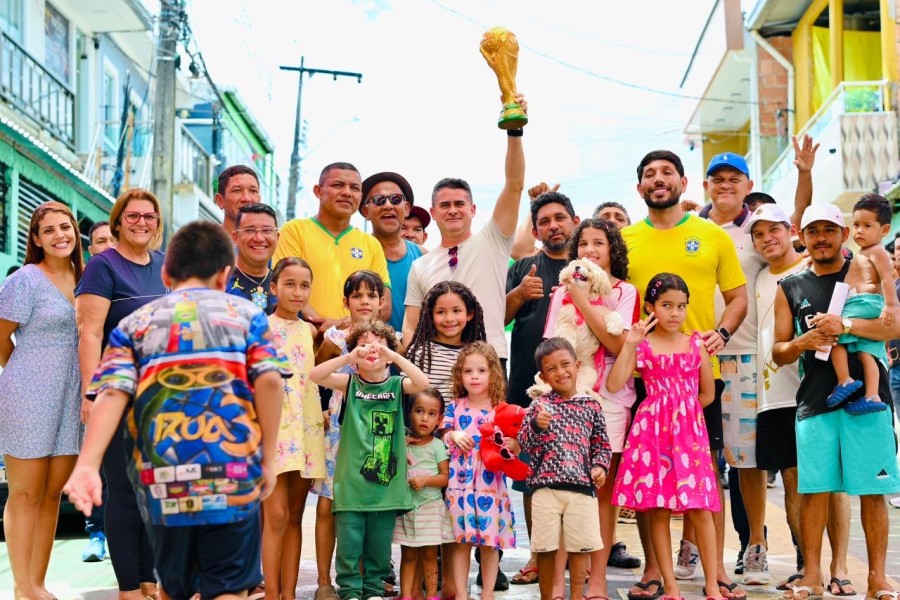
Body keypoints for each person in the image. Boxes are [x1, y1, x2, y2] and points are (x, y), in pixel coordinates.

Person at [64, 221, 289, 600]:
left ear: (166, 274)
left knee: (173, 587)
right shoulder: (246, 316)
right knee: (229, 589)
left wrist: (88, 464)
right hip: (232, 475)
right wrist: (266, 459)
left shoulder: (135, 323)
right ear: (225, 275)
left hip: (164, 481)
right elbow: (270, 382)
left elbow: (112, 393)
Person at [622, 150, 747, 600]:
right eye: (649, 174)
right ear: (640, 187)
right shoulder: (625, 239)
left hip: (696, 378)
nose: (659, 179)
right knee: (650, 481)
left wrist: (721, 333)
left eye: (667, 172)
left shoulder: (711, 234)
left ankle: (717, 573)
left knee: (704, 476)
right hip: (643, 378)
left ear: (683, 182)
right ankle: (654, 571)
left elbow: (737, 297)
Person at [773, 203, 900, 600]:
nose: (821, 238)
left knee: (873, 491)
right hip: (815, 402)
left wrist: (844, 324)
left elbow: (894, 326)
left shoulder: (866, 270)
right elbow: (778, 352)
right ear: (802, 237)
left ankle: (878, 579)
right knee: (815, 490)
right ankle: (812, 577)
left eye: (829, 230)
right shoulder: (790, 287)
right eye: (813, 231)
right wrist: (803, 341)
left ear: (844, 234)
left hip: (870, 401)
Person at [75, 188, 167, 600]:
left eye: (149, 216)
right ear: (118, 222)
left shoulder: (163, 266)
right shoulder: (103, 265)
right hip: (117, 394)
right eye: (133, 216)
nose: (142, 222)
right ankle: (128, 588)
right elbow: (89, 333)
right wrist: (90, 394)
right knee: (125, 490)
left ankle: (148, 580)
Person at [542, 218, 641, 600]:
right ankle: (559, 583)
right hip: (567, 398)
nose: (590, 250)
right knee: (562, 489)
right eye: (583, 244)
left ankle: (596, 581)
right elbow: (553, 347)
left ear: (612, 249)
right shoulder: (560, 292)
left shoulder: (624, 292)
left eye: (598, 243)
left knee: (601, 493)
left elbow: (617, 345)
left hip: (610, 401)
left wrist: (583, 299)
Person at [608, 273, 722, 600]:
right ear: (650, 307)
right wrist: (630, 343)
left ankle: (713, 585)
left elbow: (708, 393)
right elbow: (614, 384)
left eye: (681, 306)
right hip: (652, 437)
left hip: (689, 436)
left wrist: (682, 414)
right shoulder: (642, 345)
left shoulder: (696, 344)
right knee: (658, 509)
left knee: (700, 507)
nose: (675, 313)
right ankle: (670, 586)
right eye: (667, 305)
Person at [0, 201, 84, 600]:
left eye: (65, 227)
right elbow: (1, 338)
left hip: (71, 398)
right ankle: (23, 587)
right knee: (25, 493)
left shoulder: (87, 278)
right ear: (36, 238)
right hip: (28, 395)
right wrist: (26, 374)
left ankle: (37, 584)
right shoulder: (25, 280)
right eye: (48, 230)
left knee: (52, 493)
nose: (59, 235)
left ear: (76, 232)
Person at [310, 320, 429, 600]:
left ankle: (374, 589)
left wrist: (394, 355)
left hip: (385, 486)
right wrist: (348, 358)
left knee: (379, 546)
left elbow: (423, 383)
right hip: (351, 485)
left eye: (379, 345)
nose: (372, 350)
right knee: (349, 545)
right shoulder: (349, 383)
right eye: (364, 345)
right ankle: (350, 591)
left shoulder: (397, 385)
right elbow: (315, 374)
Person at [403, 96, 526, 365]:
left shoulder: (493, 240)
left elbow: (514, 185)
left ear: (472, 209)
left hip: (489, 360)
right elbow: (410, 325)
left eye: (459, 204)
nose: (453, 210)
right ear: (433, 212)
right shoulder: (421, 265)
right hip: (438, 367)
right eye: (444, 205)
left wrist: (514, 130)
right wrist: (417, 367)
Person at [504, 190, 580, 585]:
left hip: (579, 390)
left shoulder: (588, 267)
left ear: (574, 221)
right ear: (535, 231)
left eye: (560, 218)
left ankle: (577, 558)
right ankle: (537, 556)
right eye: (545, 221)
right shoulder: (524, 267)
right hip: (526, 387)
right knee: (532, 476)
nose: (553, 226)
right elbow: (496, 316)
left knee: (577, 474)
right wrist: (519, 294)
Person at [311, 270, 388, 600]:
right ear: (346, 301)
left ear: (381, 302)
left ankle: (367, 579)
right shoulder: (335, 339)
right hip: (340, 431)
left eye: (371, 295)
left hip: (377, 434)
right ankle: (324, 580)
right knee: (328, 504)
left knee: (369, 508)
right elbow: (315, 379)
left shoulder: (391, 338)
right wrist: (322, 411)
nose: (364, 301)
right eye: (357, 295)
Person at [518, 337, 611, 600]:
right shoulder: (538, 406)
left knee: (581, 548)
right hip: (544, 488)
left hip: (582, 488)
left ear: (577, 365)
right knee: (545, 548)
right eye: (552, 368)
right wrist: (535, 425)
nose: (560, 372)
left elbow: (602, 445)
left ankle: (577, 595)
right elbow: (524, 442)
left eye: (565, 364)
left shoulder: (591, 405)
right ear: (543, 377)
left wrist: (600, 468)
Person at [262, 257, 326, 600]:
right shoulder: (259, 328)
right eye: (289, 284)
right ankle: (271, 593)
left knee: (295, 515)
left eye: (304, 285)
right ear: (273, 288)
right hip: (273, 429)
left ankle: (288, 593)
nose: (297, 292)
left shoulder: (309, 331)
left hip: (305, 429)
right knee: (275, 514)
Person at [273, 162, 392, 333]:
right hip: (304, 341)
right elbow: (286, 288)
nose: (347, 192)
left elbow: (384, 306)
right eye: (338, 185)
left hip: (358, 346)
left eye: (354, 188)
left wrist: (343, 327)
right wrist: (324, 328)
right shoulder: (293, 231)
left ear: (360, 196)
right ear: (318, 191)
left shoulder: (371, 244)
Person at [441, 341, 517, 600]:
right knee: (461, 542)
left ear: (493, 373)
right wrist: (453, 434)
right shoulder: (455, 405)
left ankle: (487, 593)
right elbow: (443, 434)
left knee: (489, 543)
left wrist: (511, 445)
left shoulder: (500, 409)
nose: (474, 376)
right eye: (468, 371)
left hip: (489, 486)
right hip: (460, 486)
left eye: (481, 371)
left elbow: (512, 446)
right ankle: (461, 593)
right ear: (459, 375)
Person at [826, 194, 899, 414]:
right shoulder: (864, 252)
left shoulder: (877, 252)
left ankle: (844, 380)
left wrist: (891, 305)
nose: (859, 230)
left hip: (863, 303)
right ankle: (872, 395)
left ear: (884, 230)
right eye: (856, 224)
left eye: (867, 226)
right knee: (865, 352)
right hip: (865, 304)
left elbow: (887, 278)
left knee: (833, 336)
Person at [393, 388, 452, 600]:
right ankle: (407, 595)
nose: (424, 418)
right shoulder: (402, 443)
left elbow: (445, 477)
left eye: (431, 413)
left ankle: (432, 596)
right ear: (409, 413)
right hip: (407, 510)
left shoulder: (438, 446)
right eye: (419, 411)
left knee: (429, 555)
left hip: (431, 509)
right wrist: (400, 445)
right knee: (408, 555)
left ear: (439, 419)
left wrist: (426, 480)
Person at [82, 219, 114, 563]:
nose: (108, 246)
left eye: (111, 240)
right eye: (100, 242)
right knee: (97, 465)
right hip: (95, 386)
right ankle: (96, 533)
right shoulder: (88, 283)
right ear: (91, 250)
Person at [361, 171, 427, 332]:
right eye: (379, 200)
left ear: (406, 208)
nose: (388, 205)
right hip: (364, 344)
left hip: (414, 346)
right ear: (366, 212)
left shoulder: (424, 257)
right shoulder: (356, 252)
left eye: (396, 199)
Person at [406, 281, 487, 403]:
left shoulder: (477, 355)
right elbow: (406, 394)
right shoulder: (420, 353)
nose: (449, 319)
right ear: (430, 316)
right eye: (441, 312)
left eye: (456, 311)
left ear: (469, 314)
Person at [228, 203, 279, 315]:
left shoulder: (284, 284)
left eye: (267, 230)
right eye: (250, 230)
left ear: (277, 237)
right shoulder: (219, 282)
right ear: (235, 237)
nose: (259, 238)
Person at [215, 164, 262, 234]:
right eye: (237, 190)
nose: (246, 198)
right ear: (220, 200)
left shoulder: (270, 239)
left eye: (253, 191)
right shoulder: (205, 239)